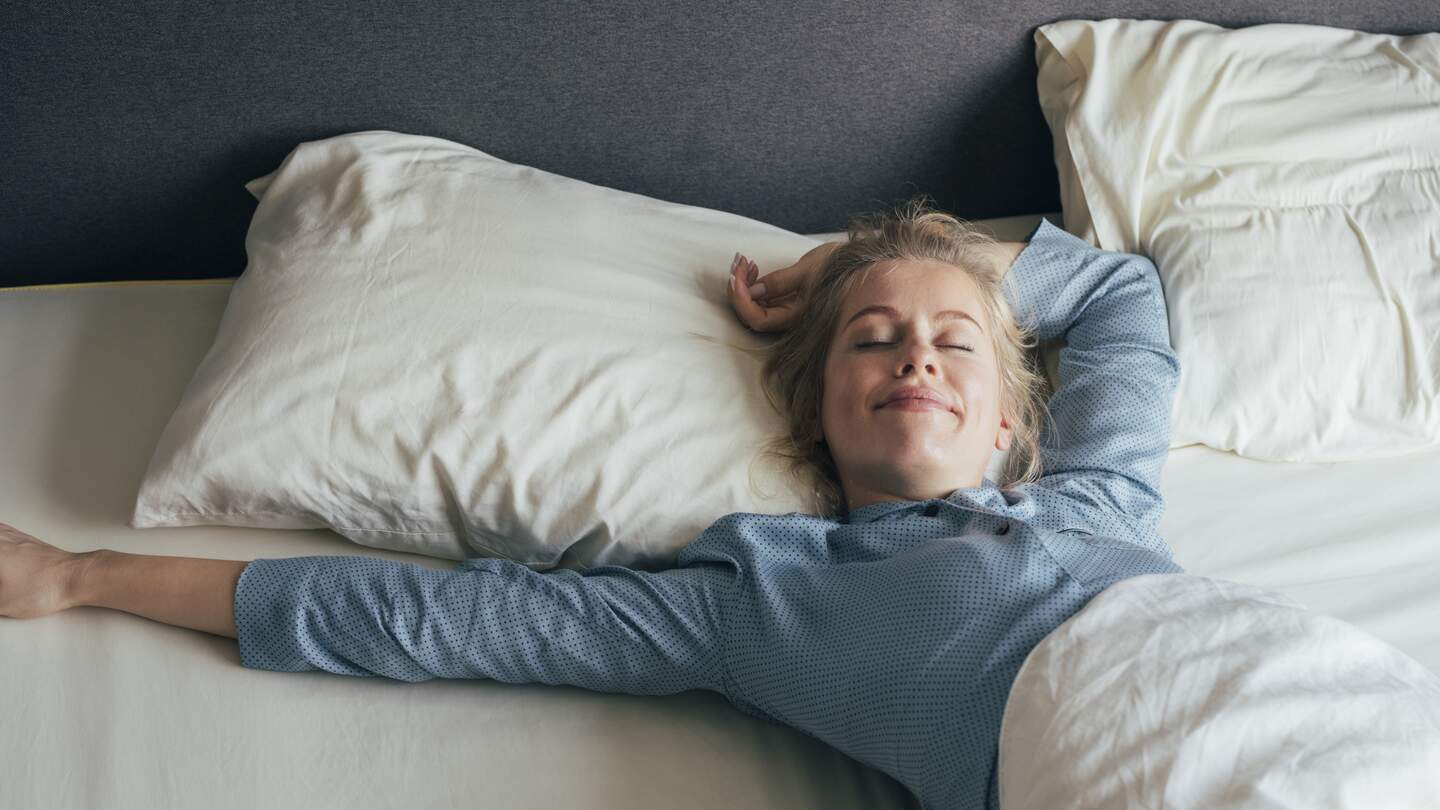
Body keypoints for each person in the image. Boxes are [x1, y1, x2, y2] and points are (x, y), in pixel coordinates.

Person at [0, 194, 1184, 810]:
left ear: (1012, 419)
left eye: (954, 344)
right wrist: (77, 577)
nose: (916, 359)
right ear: (817, 410)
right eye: (872, 343)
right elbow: (447, 622)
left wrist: (836, 264)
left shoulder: (1105, 501)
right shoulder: (766, 597)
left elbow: (1121, 295)